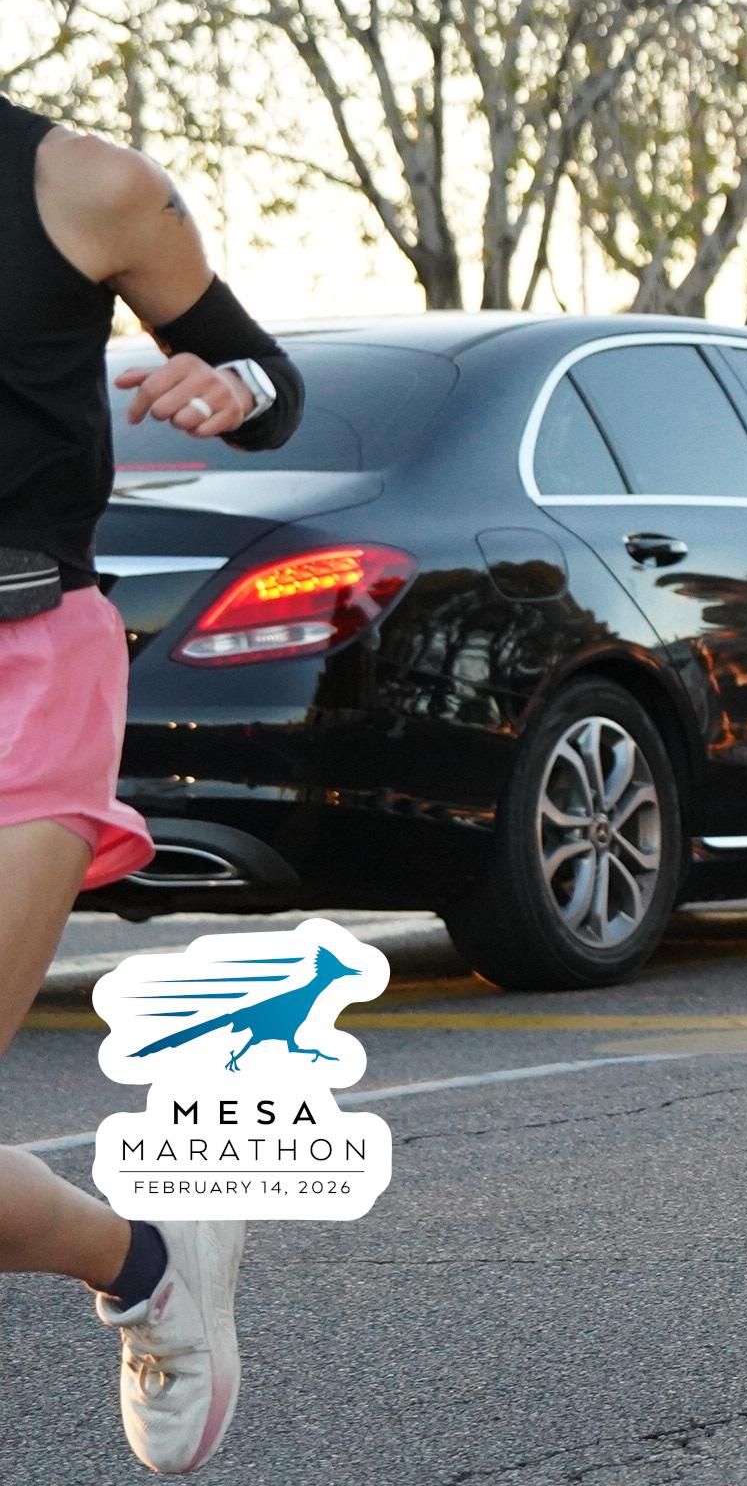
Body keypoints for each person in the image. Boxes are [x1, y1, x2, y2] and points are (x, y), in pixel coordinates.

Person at [2, 96, 306, 1474]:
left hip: (23, 671)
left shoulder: (82, 184)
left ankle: (149, 1273)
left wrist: (231, 390)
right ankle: (147, 1260)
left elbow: (260, 373)